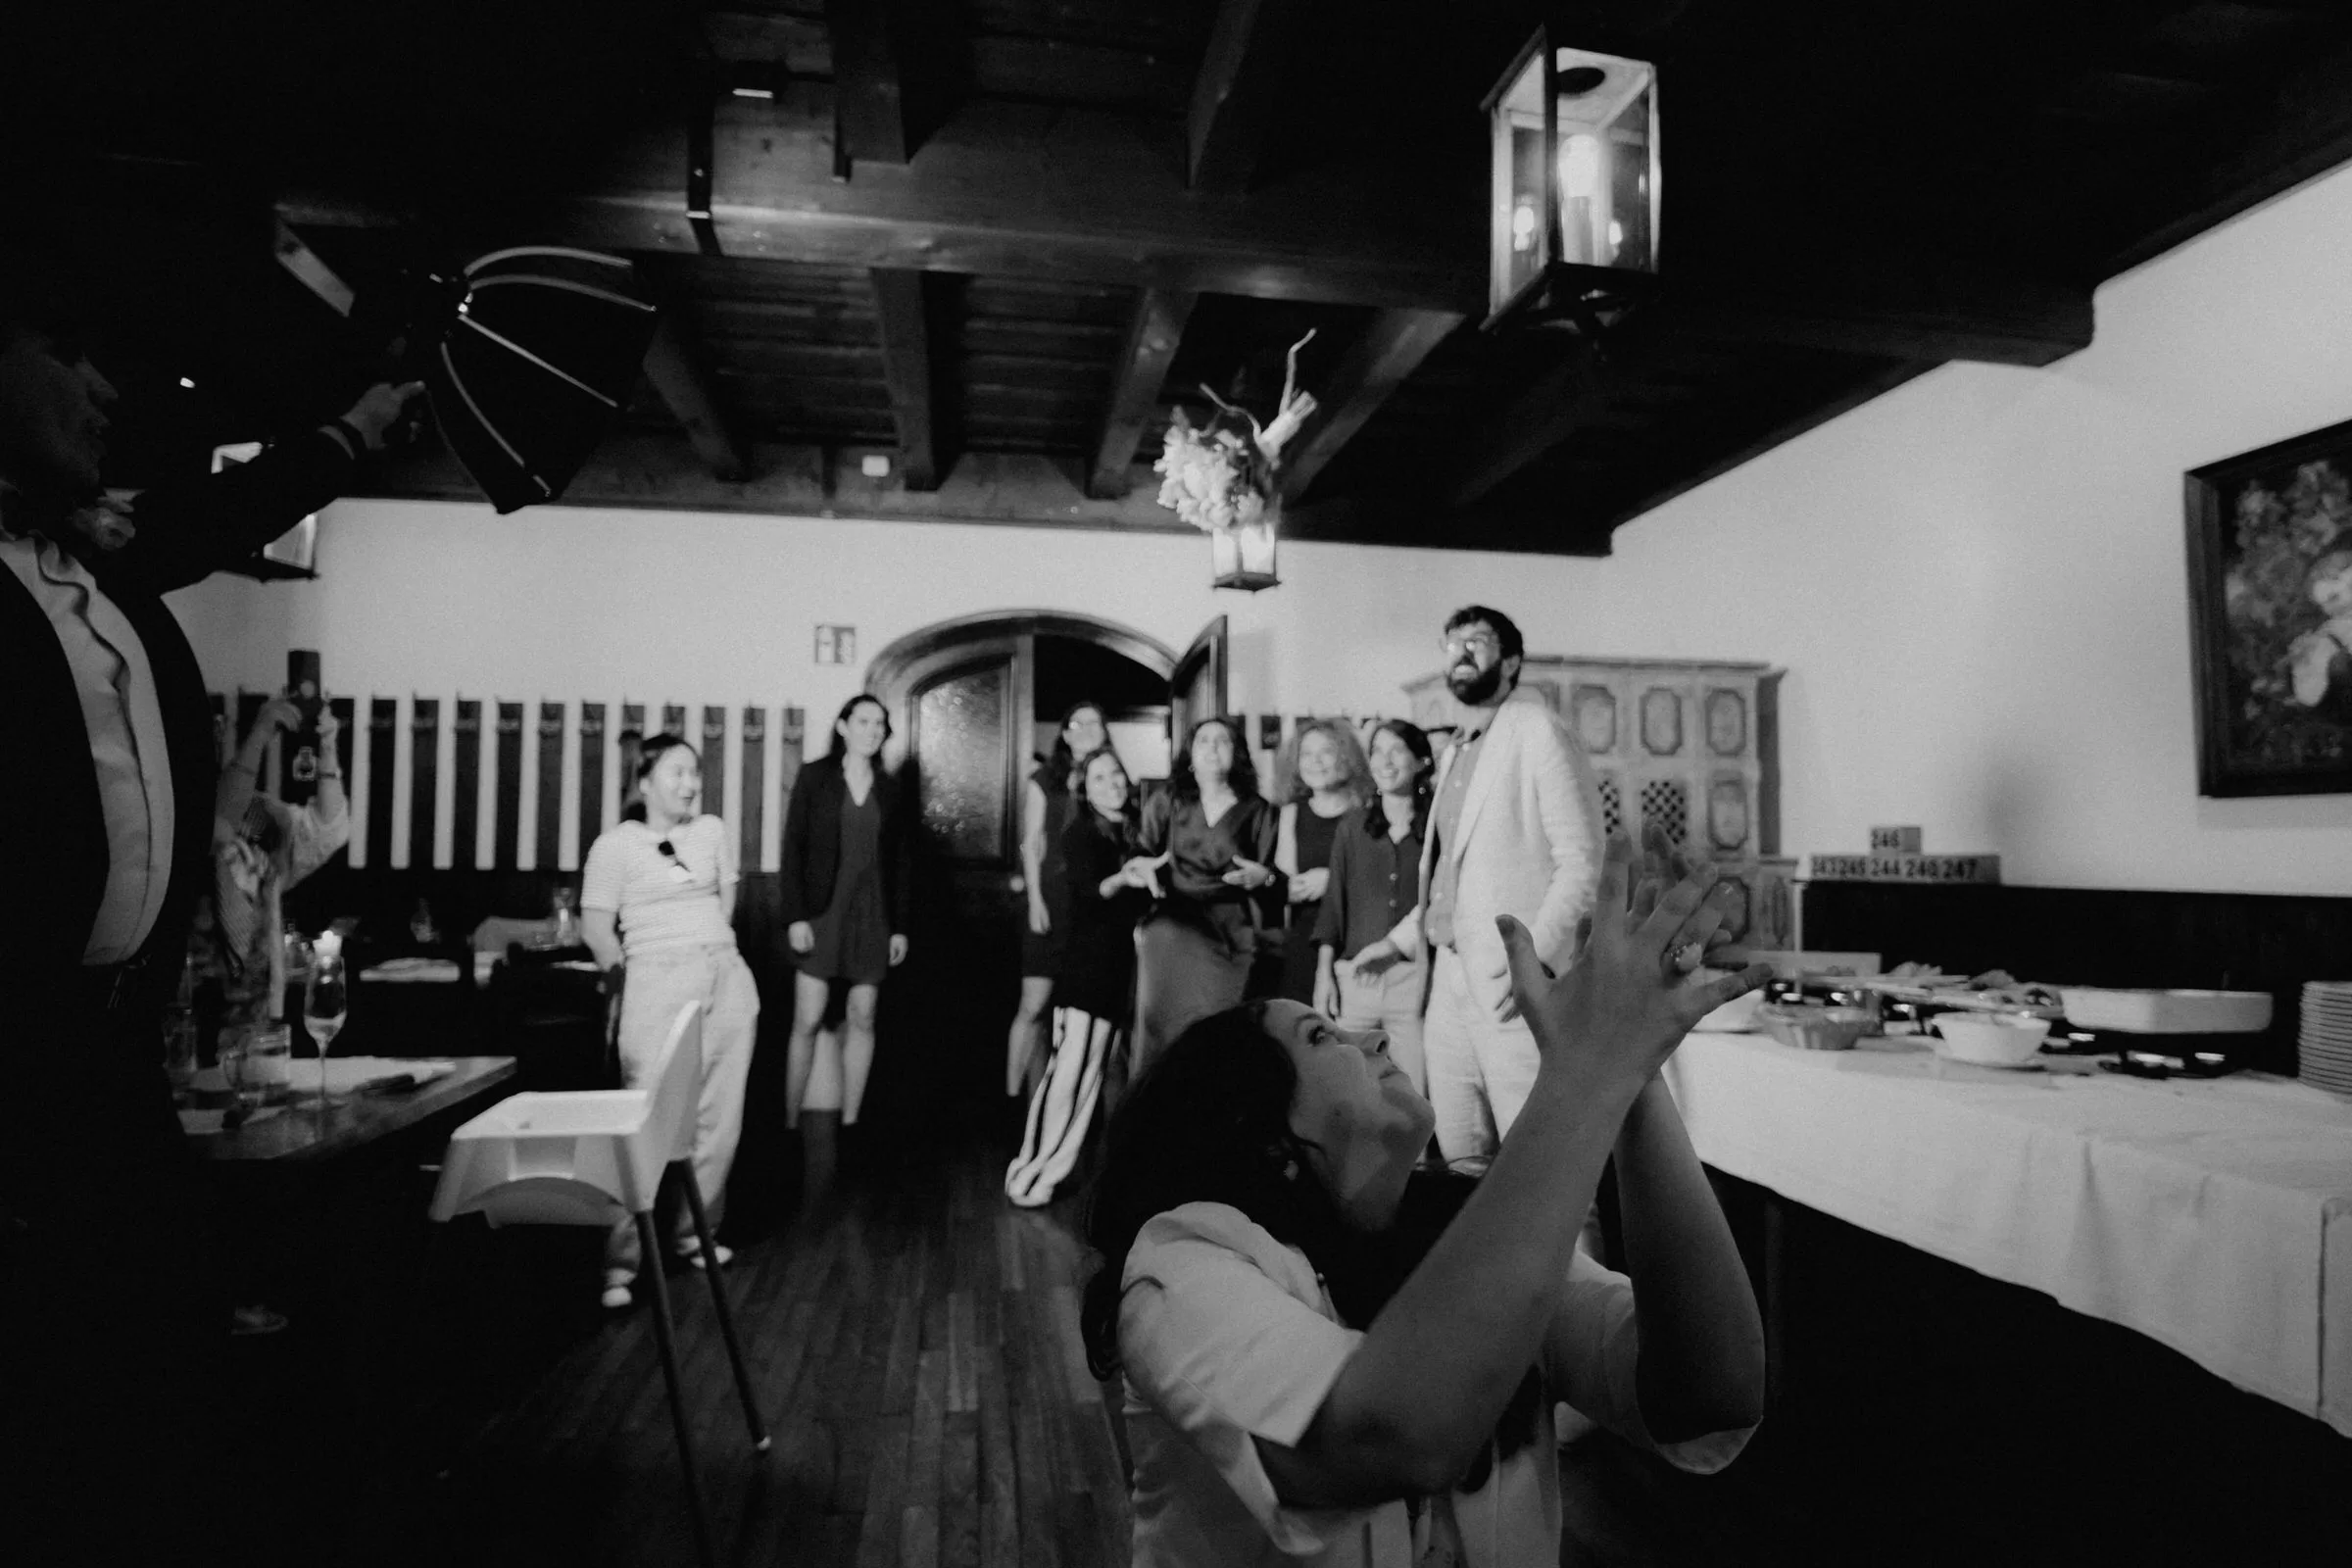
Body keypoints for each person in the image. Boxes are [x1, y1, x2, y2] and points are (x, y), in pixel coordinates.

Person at [0, 247, 422, 1560]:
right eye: (67, 354)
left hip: (108, 1051)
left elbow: (237, 513)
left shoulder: (105, 569)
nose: (105, 387)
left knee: (140, 1389)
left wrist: (357, 427)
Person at [1082, 839, 1769, 1566]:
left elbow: (1710, 1391)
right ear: (1258, 1133)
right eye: (1322, 1035)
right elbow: (1394, 1436)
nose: (1373, 1034)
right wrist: (1587, 1065)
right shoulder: (1181, 1265)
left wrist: (1635, 1075)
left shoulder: (1460, 1230)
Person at [1396, 607, 1605, 1165]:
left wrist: (1534, 962)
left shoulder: (1536, 729)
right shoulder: (1456, 748)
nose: (1460, 653)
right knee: (1462, 1157)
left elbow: (1582, 862)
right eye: (1451, 643)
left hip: (1511, 978)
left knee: (1541, 1162)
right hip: (1446, 976)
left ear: (1511, 662)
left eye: (1477, 642)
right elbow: (1448, 878)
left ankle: (1573, 1259)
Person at [578, 734, 760, 1310]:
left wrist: (712, 955)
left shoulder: (710, 832)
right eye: (677, 772)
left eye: (695, 773)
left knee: (717, 1119)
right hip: (656, 978)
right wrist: (636, 977)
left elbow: (725, 905)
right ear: (644, 780)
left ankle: (694, 1235)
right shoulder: (615, 846)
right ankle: (621, 1261)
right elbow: (596, 928)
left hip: (724, 975)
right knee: (647, 1119)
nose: (690, 783)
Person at [1004, 744, 1152, 1208]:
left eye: (1116, 776)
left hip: (1117, 974)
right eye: (1099, 779)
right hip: (1085, 970)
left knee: (1089, 1077)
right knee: (1065, 1072)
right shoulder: (1079, 833)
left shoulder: (1134, 835)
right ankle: (1029, 1171)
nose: (1111, 784)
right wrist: (1124, 879)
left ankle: (1051, 1171)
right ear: (1085, 792)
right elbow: (1092, 892)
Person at [780, 693, 913, 1136]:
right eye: (863, 721)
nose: (873, 730)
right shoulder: (815, 777)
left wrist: (900, 927)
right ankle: (789, 1121)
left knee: (863, 1015)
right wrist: (795, 917)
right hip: (821, 912)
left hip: (873, 915)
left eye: (880, 724)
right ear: (843, 726)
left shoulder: (891, 789)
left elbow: (900, 863)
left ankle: (852, 1123)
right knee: (808, 1017)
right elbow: (793, 848)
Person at [1127, 715, 1281, 1078]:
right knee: (1162, 1030)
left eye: (1222, 741)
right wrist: (1140, 869)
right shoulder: (1167, 801)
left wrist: (1265, 877)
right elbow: (1137, 858)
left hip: (1231, 931)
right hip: (1172, 926)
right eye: (1203, 741)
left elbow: (1269, 874)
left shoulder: (1259, 809)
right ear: (1190, 755)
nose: (1212, 748)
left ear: (1237, 754)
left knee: (1219, 1035)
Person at [208, 690, 350, 1030]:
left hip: (256, 1011)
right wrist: (259, 735)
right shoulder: (175, 818)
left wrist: (326, 745)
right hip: (194, 1004)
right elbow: (219, 825)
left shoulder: (261, 819)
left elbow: (326, 829)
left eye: (218, 729)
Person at [1312, 718, 1436, 1096]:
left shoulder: (1437, 827)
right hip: (1355, 979)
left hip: (1415, 982)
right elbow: (1334, 906)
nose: (1385, 760)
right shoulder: (1353, 827)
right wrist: (1324, 976)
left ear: (1420, 762)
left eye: (1396, 749)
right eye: (1377, 751)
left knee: (1414, 1096)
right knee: (1348, 1093)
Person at [1007, 700, 1108, 1100]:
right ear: (1064, 733)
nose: (1085, 729)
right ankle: (1013, 1099)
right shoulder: (1044, 779)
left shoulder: (1109, 777)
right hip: (1048, 899)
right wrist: (1034, 901)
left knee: (1076, 1009)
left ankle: (1060, 1098)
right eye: (1076, 723)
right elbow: (1031, 843)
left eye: (1093, 722)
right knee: (1033, 1005)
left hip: (1090, 905)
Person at [1272, 718, 1373, 1004]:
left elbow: (1378, 883)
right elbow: (1289, 886)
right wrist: (1281, 886)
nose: (1315, 762)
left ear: (1346, 756)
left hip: (1355, 940)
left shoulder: (1367, 813)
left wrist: (1331, 880)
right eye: (1306, 754)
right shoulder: (1291, 813)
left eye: (1325, 752)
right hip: (1305, 941)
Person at [2284, 549, 2352, 717]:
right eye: (2333, 598)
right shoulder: (2328, 637)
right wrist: (2302, 664)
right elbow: (2308, 695)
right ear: (2325, 609)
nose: (2347, 595)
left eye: (2350, 584)